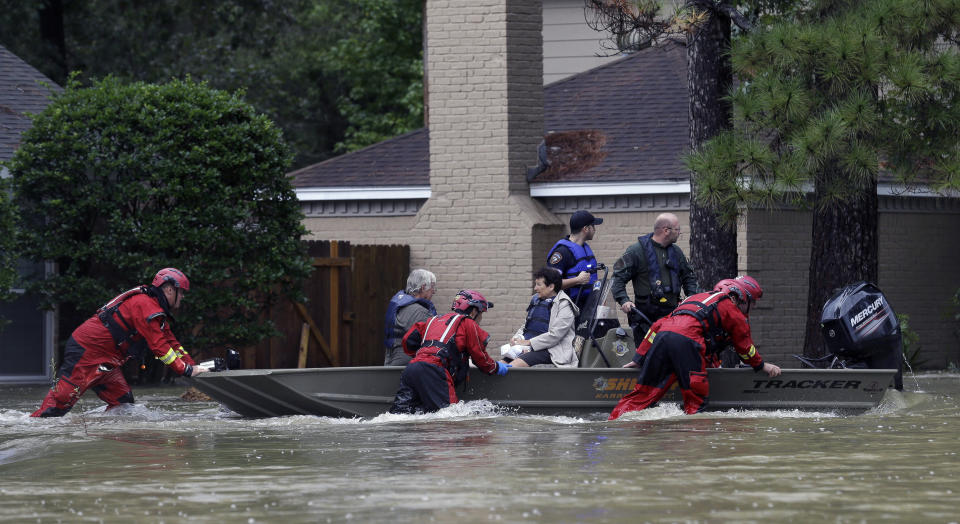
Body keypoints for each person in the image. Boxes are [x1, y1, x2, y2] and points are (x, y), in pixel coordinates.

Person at [32, 268, 208, 417]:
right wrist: (186, 370)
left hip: (107, 361)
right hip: (87, 353)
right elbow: (159, 347)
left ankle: (101, 437)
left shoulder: (155, 312)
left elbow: (172, 344)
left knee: (123, 405)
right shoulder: (146, 306)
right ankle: (33, 426)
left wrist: (193, 367)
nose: (183, 297)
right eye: (182, 292)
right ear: (170, 290)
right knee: (58, 405)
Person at [608, 275, 781, 419]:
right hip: (687, 341)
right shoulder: (731, 309)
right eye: (752, 301)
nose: (754, 306)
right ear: (740, 297)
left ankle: (614, 423)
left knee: (644, 394)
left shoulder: (695, 299)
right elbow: (744, 346)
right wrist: (762, 365)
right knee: (696, 400)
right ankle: (695, 447)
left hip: (662, 339)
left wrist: (639, 358)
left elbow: (657, 326)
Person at [389, 289, 509, 414]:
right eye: (481, 313)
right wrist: (495, 367)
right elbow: (479, 356)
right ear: (474, 311)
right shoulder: (468, 323)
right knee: (450, 420)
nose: (481, 319)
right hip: (435, 371)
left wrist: (424, 356)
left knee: (401, 418)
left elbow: (407, 341)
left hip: (412, 369)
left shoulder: (433, 320)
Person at [611, 212, 699, 342]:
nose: (680, 233)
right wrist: (624, 300)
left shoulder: (676, 252)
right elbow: (617, 279)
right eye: (677, 229)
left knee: (672, 355)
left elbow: (688, 278)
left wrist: (692, 301)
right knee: (648, 355)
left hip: (672, 316)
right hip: (646, 319)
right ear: (666, 230)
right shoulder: (636, 251)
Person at [501, 267, 579, 368]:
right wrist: (517, 338)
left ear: (551, 286)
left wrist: (528, 342)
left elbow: (555, 335)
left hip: (551, 350)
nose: (535, 288)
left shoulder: (564, 304)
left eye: (539, 284)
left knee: (513, 367)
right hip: (527, 347)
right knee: (500, 365)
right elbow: (526, 325)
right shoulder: (535, 299)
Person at [546, 210, 602, 309]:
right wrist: (577, 280)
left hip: (587, 309)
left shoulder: (584, 249)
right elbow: (551, 284)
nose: (595, 230)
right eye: (593, 226)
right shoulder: (562, 253)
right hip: (567, 310)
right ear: (586, 229)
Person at [383, 269, 438, 366]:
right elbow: (435, 340)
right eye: (432, 287)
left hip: (391, 358)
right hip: (408, 363)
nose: (434, 291)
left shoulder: (400, 305)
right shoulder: (420, 312)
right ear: (423, 287)